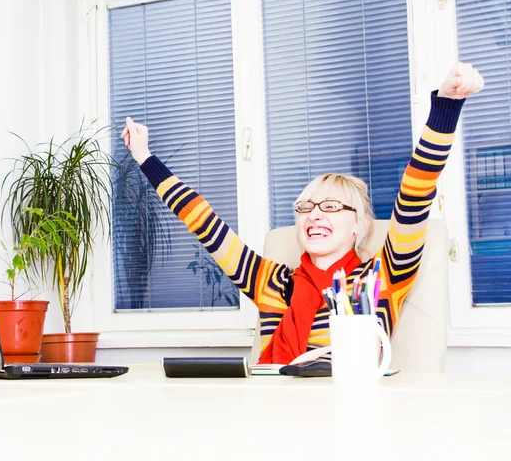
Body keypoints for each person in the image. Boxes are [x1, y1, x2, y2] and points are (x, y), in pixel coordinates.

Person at [120, 62, 484, 365]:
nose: (314, 215)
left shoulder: (382, 277)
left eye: (330, 207)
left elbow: (415, 194)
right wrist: (143, 156)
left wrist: (446, 107)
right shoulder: (270, 280)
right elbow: (204, 223)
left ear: (359, 225)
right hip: (269, 409)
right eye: (306, 207)